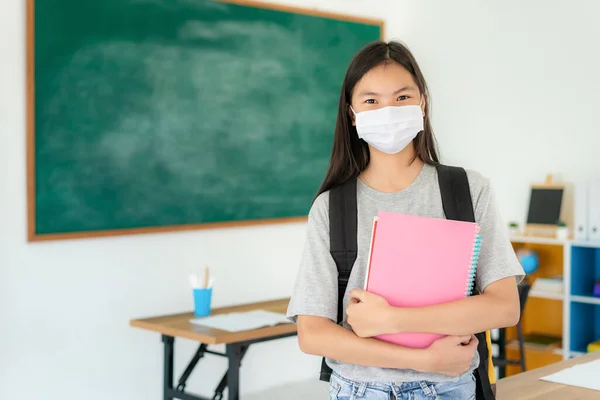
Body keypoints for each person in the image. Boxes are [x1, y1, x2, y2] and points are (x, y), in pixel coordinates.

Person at [286, 40, 525, 400]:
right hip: (359, 390)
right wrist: (422, 360)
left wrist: (393, 320)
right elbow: (313, 334)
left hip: (452, 387)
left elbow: (505, 307)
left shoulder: (467, 190)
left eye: (402, 97)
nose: (388, 110)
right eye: (371, 101)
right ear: (352, 113)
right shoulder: (332, 207)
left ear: (422, 102)